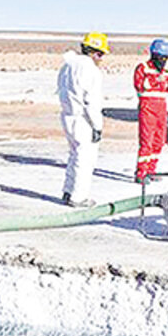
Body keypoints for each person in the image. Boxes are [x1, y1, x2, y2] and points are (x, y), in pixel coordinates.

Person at [57, 32, 109, 208]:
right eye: (100, 54)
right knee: (85, 159)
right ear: (94, 52)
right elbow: (91, 102)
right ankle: (78, 197)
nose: (101, 59)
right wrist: (98, 126)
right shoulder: (91, 70)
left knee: (74, 155)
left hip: (67, 116)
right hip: (83, 119)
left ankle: (68, 190)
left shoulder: (68, 65)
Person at [134, 38, 168, 183]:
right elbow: (140, 85)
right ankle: (141, 173)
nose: (163, 61)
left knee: (159, 140)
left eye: (165, 58)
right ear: (154, 55)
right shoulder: (143, 68)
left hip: (161, 107)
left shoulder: (166, 71)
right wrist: (158, 79)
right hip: (147, 107)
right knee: (146, 141)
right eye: (161, 58)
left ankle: (151, 170)